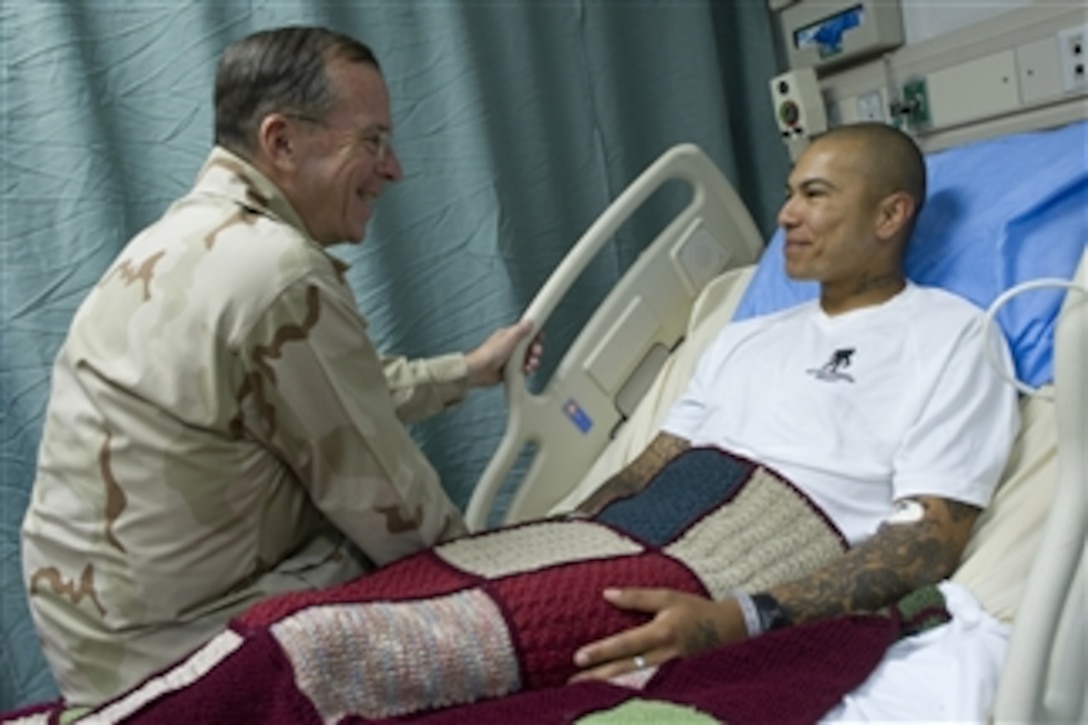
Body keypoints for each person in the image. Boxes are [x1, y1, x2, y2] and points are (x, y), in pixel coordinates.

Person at [20, 26, 540, 707]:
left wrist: (466, 371)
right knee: (384, 561)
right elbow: (398, 512)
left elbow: (333, 393)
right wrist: (517, 596)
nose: (395, 168)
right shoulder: (277, 273)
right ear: (281, 141)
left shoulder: (177, 245)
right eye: (372, 141)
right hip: (176, 658)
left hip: (97, 647)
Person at [569, 122, 1020, 680]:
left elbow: (924, 543)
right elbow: (646, 471)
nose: (785, 215)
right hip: (635, 541)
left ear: (889, 216)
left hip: (750, 562)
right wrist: (572, 532)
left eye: (814, 195)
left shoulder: (952, 335)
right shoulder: (743, 337)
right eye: (789, 193)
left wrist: (738, 621)